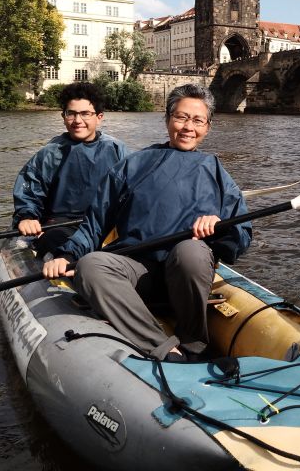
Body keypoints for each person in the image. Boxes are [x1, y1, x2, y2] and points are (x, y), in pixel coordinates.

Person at [47, 84, 252, 362]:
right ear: (167, 119)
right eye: (180, 117)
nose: (187, 127)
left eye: (197, 120)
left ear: (208, 127)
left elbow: (240, 238)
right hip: (135, 272)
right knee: (91, 265)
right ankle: (163, 347)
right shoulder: (134, 164)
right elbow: (96, 222)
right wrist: (67, 255)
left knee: (189, 251)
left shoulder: (217, 173)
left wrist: (220, 227)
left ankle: (194, 342)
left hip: (186, 275)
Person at [13, 82, 127, 258]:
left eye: (85, 114)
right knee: (56, 242)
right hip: (60, 226)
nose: (77, 121)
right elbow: (30, 190)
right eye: (71, 114)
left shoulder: (117, 150)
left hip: (104, 225)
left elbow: (135, 191)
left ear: (99, 117)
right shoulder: (50, 153)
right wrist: (27, 217)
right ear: (63, 116)